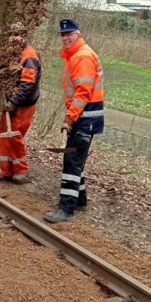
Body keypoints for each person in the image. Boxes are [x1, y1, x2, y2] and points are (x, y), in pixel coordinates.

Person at [44, 19, 105, 223]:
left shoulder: (82, 57)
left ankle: (66, 209)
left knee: (72, 161)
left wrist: (69, 118)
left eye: (69, 34)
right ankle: (80, 201)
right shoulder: (76, 56)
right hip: (83, 116)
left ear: (78, 35)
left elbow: (83, 94)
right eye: (62, 35)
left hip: (84, 118)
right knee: (76, 160)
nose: (65, 38)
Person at [0, 22, 41, 183]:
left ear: (24, 36)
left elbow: (27, 85)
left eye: (18, 35)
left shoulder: (29, 56)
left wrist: (13, 102)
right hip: (10, 102)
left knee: (15, 137)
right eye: (12, 35)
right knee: (3, 135)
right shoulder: (12, 54)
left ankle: (22, 170)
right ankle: (6, 170)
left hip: (23, 105)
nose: (14, 38)